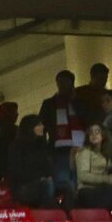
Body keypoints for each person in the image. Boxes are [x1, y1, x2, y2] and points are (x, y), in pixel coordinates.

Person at [39, 70, 85, 206]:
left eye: (66, 82)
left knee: (80, 182)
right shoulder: (49, 104)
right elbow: (42, 126)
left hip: (80, 148)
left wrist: (74, 101)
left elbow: (87, 118)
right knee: (64, 182)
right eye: (60, 82)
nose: (63, 85)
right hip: (59, 149)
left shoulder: (80, 102)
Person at [9, 115, 56, 208]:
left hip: (43, 182)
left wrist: (49, 175)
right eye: (39, 125)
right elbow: (16, 172)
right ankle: (46, 216)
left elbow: (47, 166)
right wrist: (39, 178)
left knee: (67, 187)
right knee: (46, 185)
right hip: (23, 186)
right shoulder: (16, 147)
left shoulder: (42, 145)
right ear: (30, 128)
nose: (42, 126)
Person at [76, 123, 112, 209]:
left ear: (103, 135)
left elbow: (110, 174)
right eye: (91, 132)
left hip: (102, 189)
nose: (94, 134)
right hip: (87, 190)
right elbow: (83, 176)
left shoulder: (105, 153)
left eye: (97, 131)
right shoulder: (85, 152)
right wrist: (107, 179)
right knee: (111, 193)